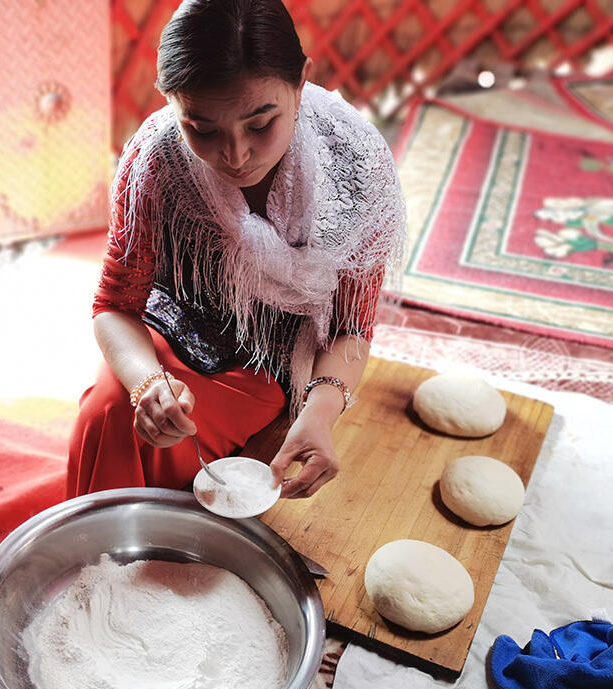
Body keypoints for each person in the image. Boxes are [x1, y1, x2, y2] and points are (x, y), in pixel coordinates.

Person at [66, 0, 405, 500]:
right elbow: (114, 307)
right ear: (172, 104)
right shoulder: (156, 159)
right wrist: (146, 385)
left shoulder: (354, 163)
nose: (235, 155)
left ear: (301, 83)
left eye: (261, 124)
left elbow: (351, 327)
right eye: (201, 130)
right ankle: (107, 566)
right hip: (163, 333)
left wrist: (319, 415)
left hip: (267, 362)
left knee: (171, 450)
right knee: (109, 414)